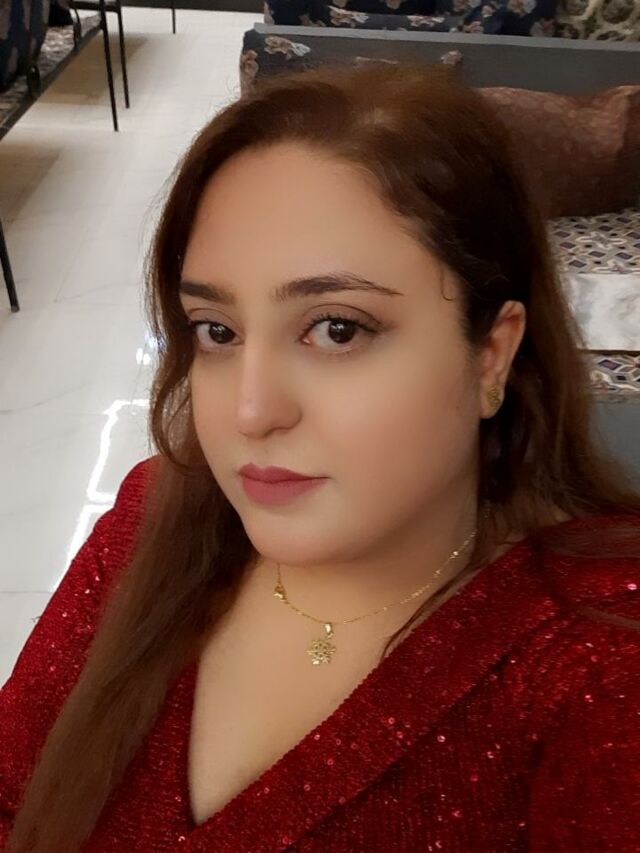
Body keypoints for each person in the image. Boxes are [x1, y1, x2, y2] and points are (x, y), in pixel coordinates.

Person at [2, 61, 639, 852]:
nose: (250, 411)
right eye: (217, 331)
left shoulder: (598, 665)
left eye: (337, 329)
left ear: (491, 354)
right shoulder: (152, 515)